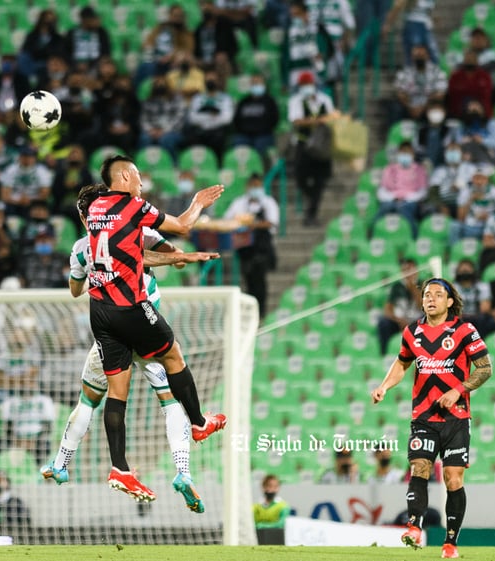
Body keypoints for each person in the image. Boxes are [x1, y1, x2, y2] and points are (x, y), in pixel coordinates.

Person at [42, 182, 220, 513]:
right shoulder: (138, 230)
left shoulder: (82, 247)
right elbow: (173, 256)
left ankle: (61, 462)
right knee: (171, 401)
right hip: (145, 326)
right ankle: (183, 471)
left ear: (85, 217)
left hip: (110, 334)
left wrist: (88, 273)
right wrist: (176, 257)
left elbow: (74, 290)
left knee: (90, 400)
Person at [85, 156, 228, 501]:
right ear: (122, 176)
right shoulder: (132, 205)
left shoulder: (95, 208)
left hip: (99, 308)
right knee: (173, 356)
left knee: (118, 390)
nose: (141, 180)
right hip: (130, 306)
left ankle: (120, 468)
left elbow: (134, 255)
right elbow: (181, 226)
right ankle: (198, 423)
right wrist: (197, 204)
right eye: (136, 174)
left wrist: (183, 258)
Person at [371, 277, 492, 559]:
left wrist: (457, 390)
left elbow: (485, 369)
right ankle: (414, 527)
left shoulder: (464, 330)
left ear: (450, 302)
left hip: (457, 417)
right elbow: (402, 362)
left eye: (438, 294)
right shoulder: (412, 331)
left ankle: (450, 543)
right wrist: (384, 386)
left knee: (453, 479)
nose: (431, 298)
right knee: (420, 467)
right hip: (424, 416)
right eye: (427, 294)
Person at [222, 174, 279, 317]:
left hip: (261, 248)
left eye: (257, 186)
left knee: (260, 281)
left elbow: (272, 222)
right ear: (247, 187)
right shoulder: (239, 203)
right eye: (252, 186)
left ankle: (262, 312)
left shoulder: (268, 202)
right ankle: (251, 313)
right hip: (245, 249)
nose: (255, 189)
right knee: (248, 280)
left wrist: (253, 225)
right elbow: (227, 219)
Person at [288, 71, 338, 226]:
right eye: (303, 85)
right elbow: (296, 121)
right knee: (300, 177)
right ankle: (311, 198)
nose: (306, 88)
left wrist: (313, 121)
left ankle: (311, 214)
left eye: (308, 84)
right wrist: (318, 120)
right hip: (304, 145)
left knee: (320, 180)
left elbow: (332, 118)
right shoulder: (295, 101)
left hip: (322, 146)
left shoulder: (325, 100)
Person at [376, 257, 423, 355]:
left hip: (417, 321)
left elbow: (422, 306)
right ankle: (383, 353)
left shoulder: (423, 284)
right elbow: (387, 309)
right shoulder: (396, 287)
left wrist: (412, 288)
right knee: (383, 323)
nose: (409, 273)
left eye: (411, 269)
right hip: (399, 321)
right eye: (406, 270)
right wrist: (399, 320)